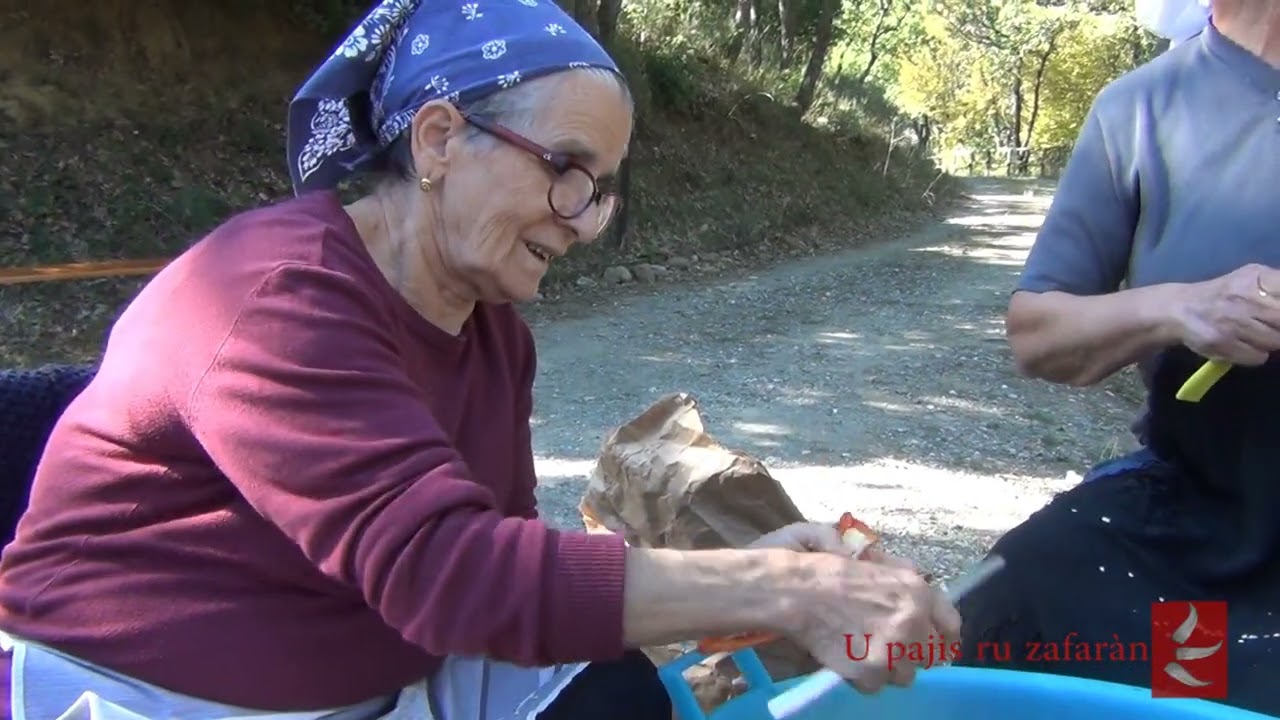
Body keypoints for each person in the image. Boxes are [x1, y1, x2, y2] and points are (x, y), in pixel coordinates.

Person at [0, 0, 961, 717]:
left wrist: (742, 581)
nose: (584, 223)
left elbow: (502, 579)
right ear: (439, 137)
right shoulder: (272, 295)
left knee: (615, 697)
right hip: (147, 688)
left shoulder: (493, 330)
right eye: (568, 172)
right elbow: (447, 573)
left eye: (604, 192)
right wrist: (791, 590)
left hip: (376, 669)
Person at [952, 0, 1280, 714]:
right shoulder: (1142, 107)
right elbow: (1036, 334)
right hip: (1197, 537)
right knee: (1016, 594)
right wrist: (1181, 307)